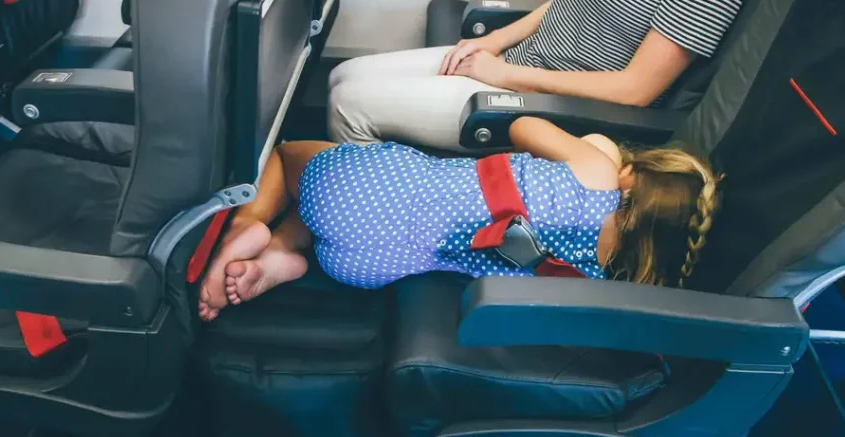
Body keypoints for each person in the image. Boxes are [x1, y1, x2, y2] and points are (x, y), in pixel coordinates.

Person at [197, 117, 721, 321]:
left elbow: (523, 127)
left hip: (368, 191)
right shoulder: (601, 274)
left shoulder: (600, 168)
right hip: (371, 264)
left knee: (289, 156)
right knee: (331, 213)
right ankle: (283, 255)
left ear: (635, 178)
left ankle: (248, 226)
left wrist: (598, 148)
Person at [327, 0, 764, 152]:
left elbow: (637, 90)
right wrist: (495, 41)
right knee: (340, 77)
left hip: (558, 111)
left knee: (350, 107)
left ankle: (373, 228)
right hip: (520, 67)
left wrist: (506, 75)